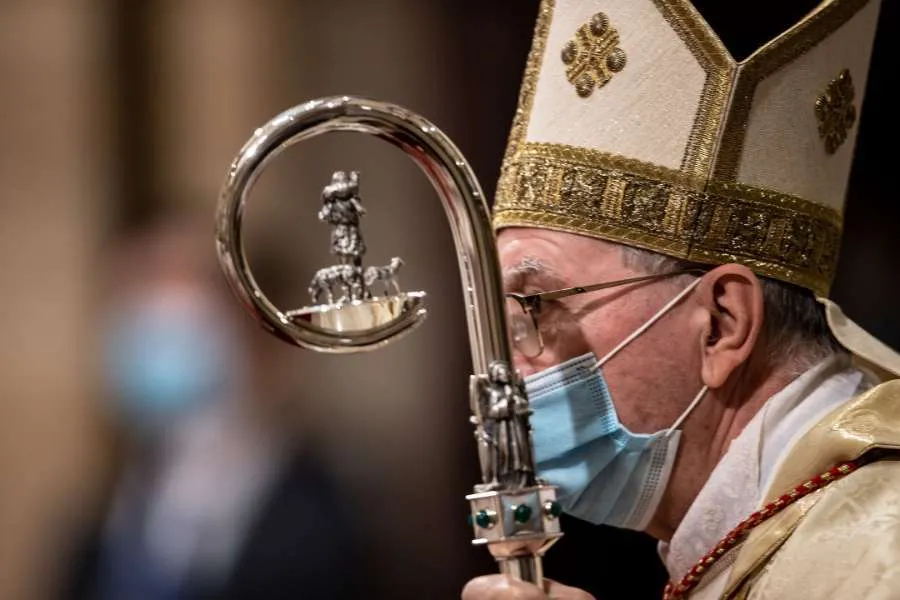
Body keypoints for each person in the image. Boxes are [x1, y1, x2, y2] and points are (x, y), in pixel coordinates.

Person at [463, 0, 897, 598]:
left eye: (536, 306)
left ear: (722, 323)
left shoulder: (875, 552)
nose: (508, 375)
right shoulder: (752, 533)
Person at [57, 214, 365, 600]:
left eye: (179, 281)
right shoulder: (102, 519)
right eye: (130, 292)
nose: (150, 317)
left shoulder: (334, 523)